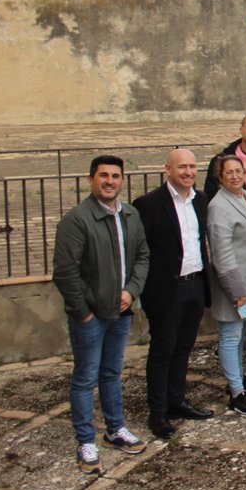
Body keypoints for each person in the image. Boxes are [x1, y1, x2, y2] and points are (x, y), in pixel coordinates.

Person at [53, 155, 150, 473]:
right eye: (103, 175)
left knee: (111, 373)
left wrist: (131, 291)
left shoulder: (130, 214)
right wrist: (82, 314)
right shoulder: (76, 220)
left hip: (121, 312)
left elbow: (142, 257)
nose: (110, 181)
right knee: (85, 378)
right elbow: (65, 273)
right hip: (91, 317)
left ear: (122, 180)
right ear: (91, 179)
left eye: (115, 176)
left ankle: (115, 429)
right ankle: (86, 441)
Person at [134, 149, 212, 440]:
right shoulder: (149, 204)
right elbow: (140, 250)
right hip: (166, 289)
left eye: (192, 166)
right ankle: (157, 412)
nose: (188, 172)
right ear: (168, 170)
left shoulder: (200, 200)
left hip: (195, 284)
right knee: (162, 350)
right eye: (182, 167)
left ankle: (176, 401)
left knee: (184, 347)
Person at [206, 155, 246, 417]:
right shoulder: (218, 206)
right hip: (234, 286)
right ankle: (236, 393)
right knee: (230, 336)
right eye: (228, 172)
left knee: (240, 335)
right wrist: (237, 291)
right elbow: (221, 255)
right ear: (219, 177)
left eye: (238, 171)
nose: (234, 176)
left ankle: (239, 378)